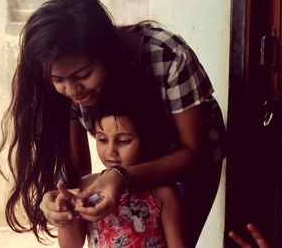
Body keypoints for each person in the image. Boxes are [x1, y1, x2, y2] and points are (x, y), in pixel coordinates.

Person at [0, 0, 226, 246]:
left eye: (83, 75)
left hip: (189, 158)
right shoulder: (65, 79)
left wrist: (122, 176)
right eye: (58, 80)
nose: (72, 91)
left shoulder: (166, 55)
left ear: (107, 54)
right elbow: (75, 171)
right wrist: (62, 202)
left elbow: (192, 150)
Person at [56, 79, 186, 248]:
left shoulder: (163, 192)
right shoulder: (87, 188)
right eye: (102, 139)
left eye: (123, 141)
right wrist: (66, 217)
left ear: (147, 140)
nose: (111, 151)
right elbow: (70, 246)